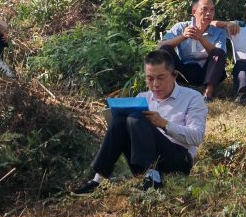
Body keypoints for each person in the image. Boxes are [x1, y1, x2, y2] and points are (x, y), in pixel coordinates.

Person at [71, 49, 207, 195]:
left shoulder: (192, 97)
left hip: (178, 161)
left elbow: (197, 137)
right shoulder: (143, 97)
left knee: (136, 118)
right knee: (120, 118)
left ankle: (153, 178)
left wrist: (164, 124)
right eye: (150, 79)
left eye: (161, 78)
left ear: (174, 75)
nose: (155, 84)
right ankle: (97, 180)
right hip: (141, 161)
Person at [158, 0, 228, 102]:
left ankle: (208, 94)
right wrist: (183, 37)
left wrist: (201, 38)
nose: (209, 13)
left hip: (207, 72)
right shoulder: (181, 27)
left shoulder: (219, 32)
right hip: (184, 71)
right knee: (165, 49)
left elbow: (221, 54)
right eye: (204, 9)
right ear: (194, 12)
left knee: (218, 52)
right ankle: (170, 88)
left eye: (212, 10)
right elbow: (160, 46)